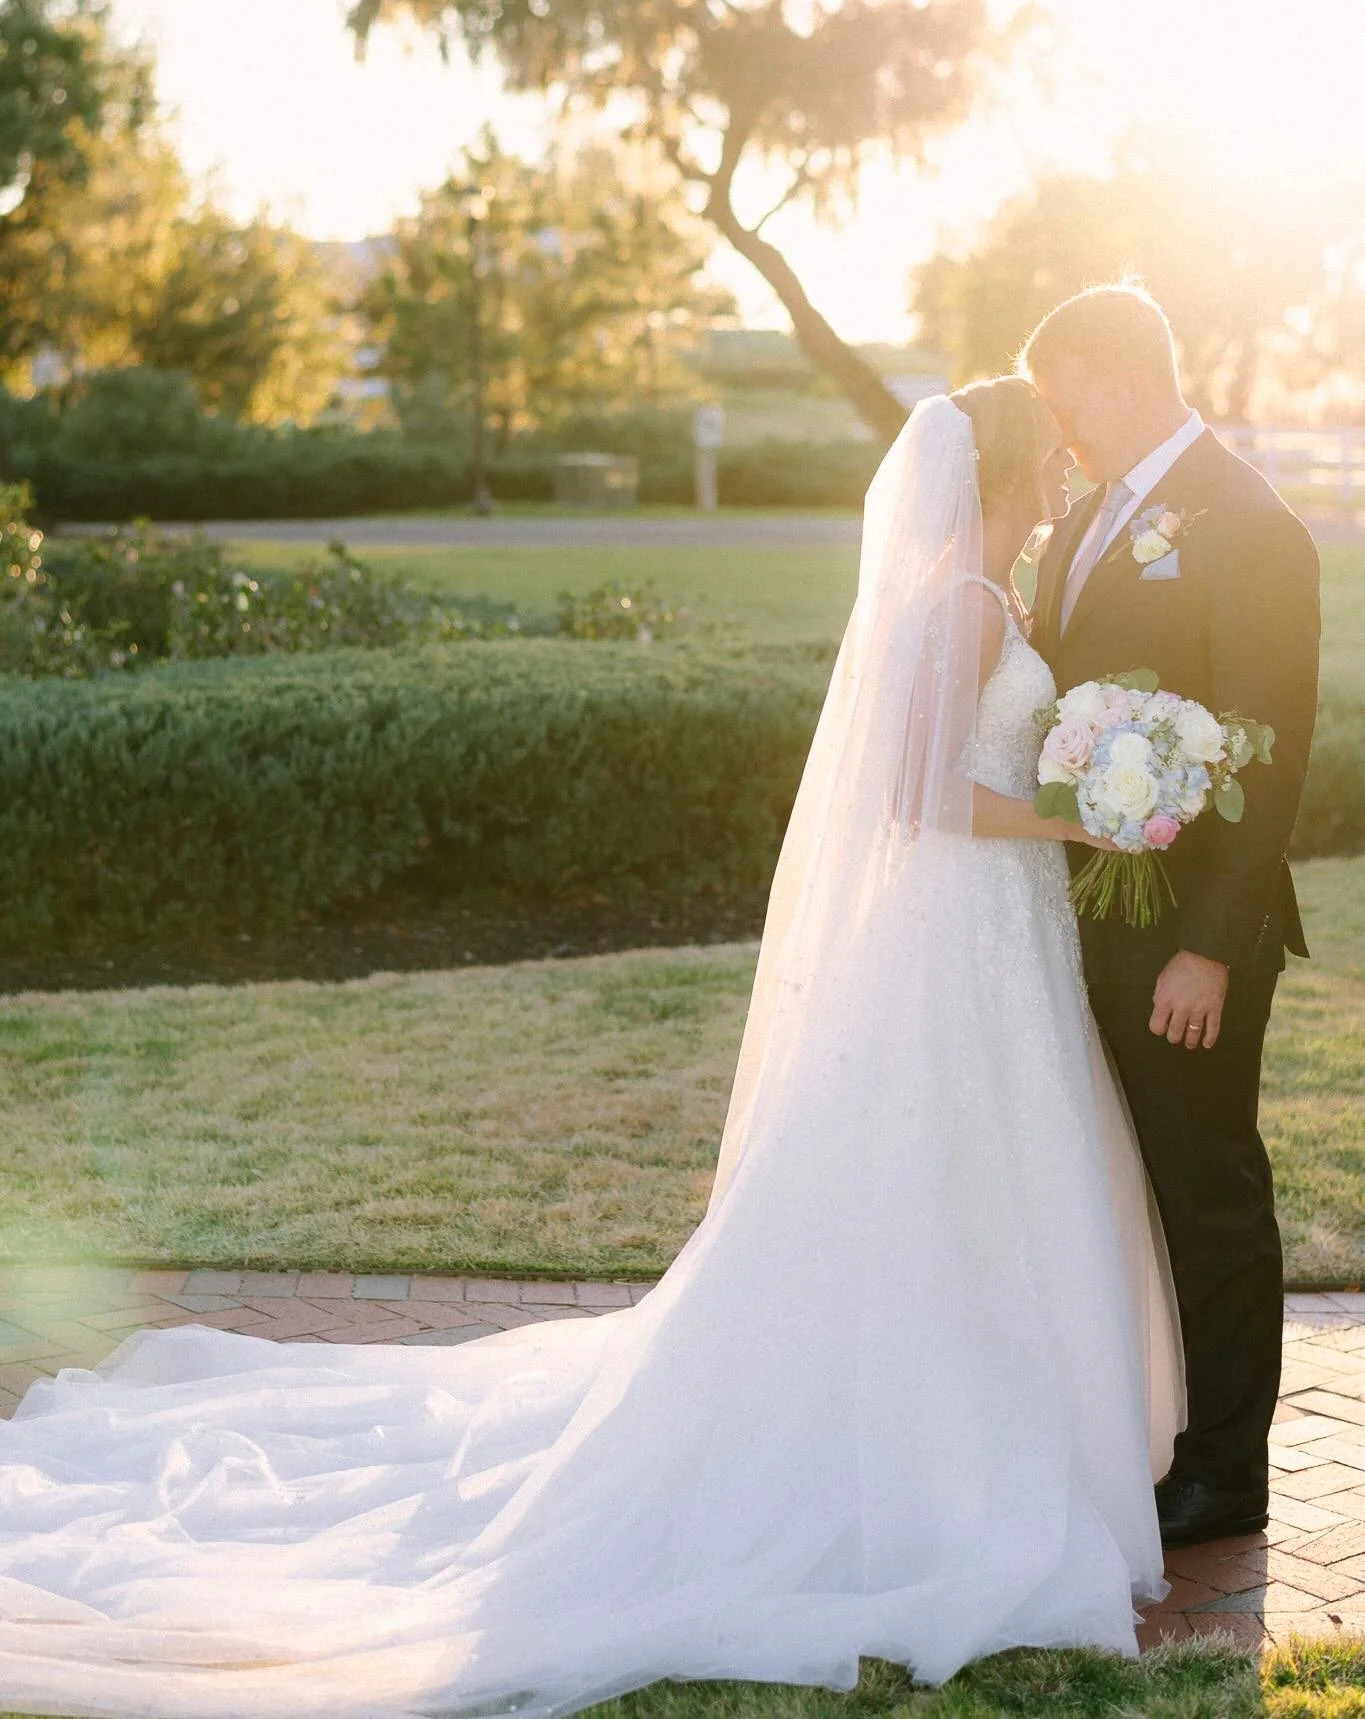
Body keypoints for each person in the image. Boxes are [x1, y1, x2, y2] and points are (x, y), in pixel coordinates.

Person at [0, 381, 1184, 1719]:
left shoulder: (979, 597)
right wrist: (1079, 823)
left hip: (991, 937)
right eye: (1059, 458)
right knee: (949, 1177)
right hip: (966, 926)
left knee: (976, 1183)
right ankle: (936, 1458)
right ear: (1019, 471)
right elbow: (923, 795)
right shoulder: (965, 606)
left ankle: (977, 1434)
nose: (1072, 472)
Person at [1021, 284, 1321, 1549]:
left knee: (1206, 1185)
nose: (1058, 425)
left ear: (1117, 373)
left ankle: (1225, 1471)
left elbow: (1270, 756)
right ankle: (1150, 1426)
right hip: (1079, 909)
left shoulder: (1252, 523)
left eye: (1063, 395)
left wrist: (1205, 943)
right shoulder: (1089, 513)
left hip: (1186, 931)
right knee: (1122, 1182)